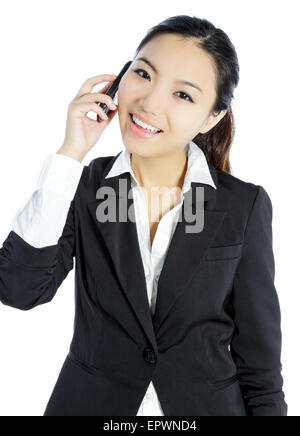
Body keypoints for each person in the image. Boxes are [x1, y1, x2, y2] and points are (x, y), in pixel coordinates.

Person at [0, 15, 288, 416]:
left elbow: (260, 363)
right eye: (143, 74)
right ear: (121, 78)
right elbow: (18, 289)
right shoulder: (81, 188)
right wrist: (71, 153)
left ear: (212, 117)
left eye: (183, 95)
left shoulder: (243, 205)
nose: (150, 103)